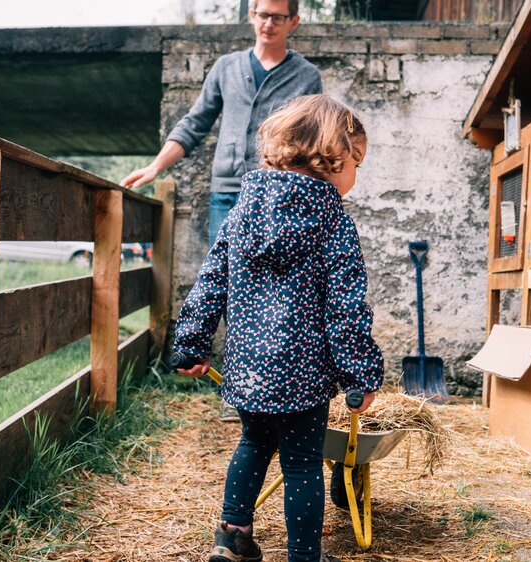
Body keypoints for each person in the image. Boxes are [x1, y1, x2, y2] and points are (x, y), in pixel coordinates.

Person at [172, 94, 384, 562]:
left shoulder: (243, 211)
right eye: (355, 164)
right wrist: (360, 376)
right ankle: (304, 556)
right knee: (304, 463)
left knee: (253, 442)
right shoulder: (332, 222)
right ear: (329, 160)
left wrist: (192, 342)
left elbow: (212, 279)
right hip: (304, 371)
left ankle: (231, 538)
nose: (356, 176)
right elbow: (346, 308)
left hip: (249, 367)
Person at [121, 0, 322, 421]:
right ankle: (239, 391)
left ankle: (279, 390)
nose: (269, 23)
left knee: (278, 291)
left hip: (280, 195)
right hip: (229, 193)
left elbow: (311, 139)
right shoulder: (226, 68)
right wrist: (155, 166)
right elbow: (195, 123)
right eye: (262, 14)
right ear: (251, 15)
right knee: (230, 285)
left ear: (294, 22)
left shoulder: (306, 75)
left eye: (278, 17)